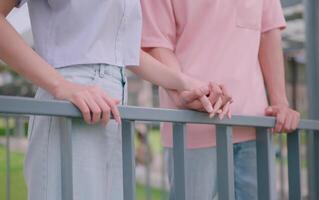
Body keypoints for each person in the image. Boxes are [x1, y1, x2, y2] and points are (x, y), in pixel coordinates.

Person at [0, 0, 232, 200]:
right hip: (71, 107)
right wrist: (63, 87)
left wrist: (184, 83)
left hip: (113, 111)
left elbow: (121, 50)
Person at [141, 0, 301, 199]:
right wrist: (184, 92)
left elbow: (268, 30)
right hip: (191, 126)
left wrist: (280, 102)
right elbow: (156, 41)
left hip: (255, 126)